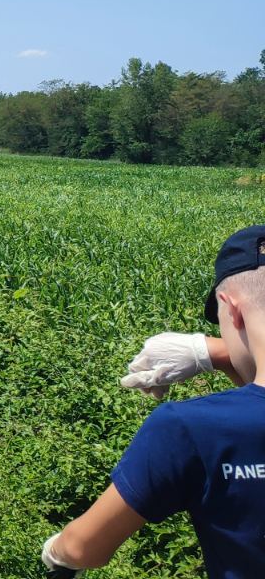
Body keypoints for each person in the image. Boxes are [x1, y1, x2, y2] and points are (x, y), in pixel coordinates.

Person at [40, 225, 265, 579]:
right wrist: (217, 353)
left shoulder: (191, 428)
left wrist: (57, 550)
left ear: (232, 309)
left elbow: (84, 547)